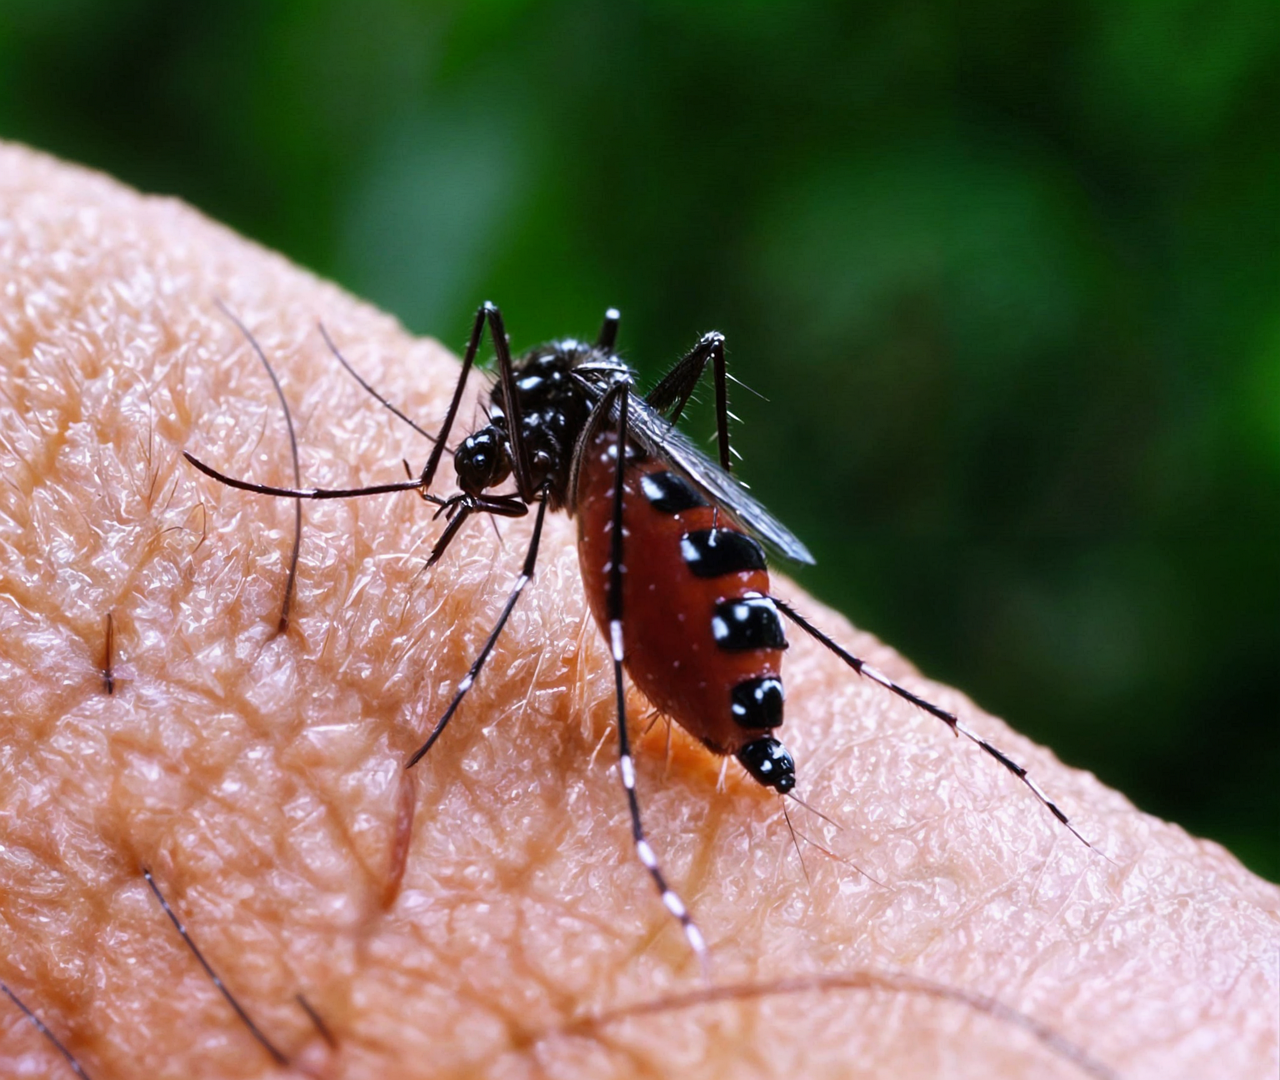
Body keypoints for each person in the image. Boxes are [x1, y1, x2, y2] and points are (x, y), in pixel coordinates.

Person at [0, 141, 1274, 1080]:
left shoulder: (563, 433)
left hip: (651, 509)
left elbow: (570, 453)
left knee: (606, 473)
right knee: (657, 393)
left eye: (481, 464)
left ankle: (679, 728)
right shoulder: (543, 404)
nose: (479, 478)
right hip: (649, 487)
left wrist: (589, 550)